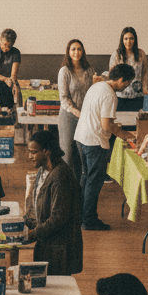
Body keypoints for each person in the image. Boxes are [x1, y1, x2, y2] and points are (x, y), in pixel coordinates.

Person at [24, 128, 83, 295]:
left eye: (34, 152)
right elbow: (37, 202)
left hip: (61, 250)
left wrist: (32, 235)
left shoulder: (61, 176)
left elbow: (59, 217)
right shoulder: (44, 171)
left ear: (47, 151)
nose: (30, 156)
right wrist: (28, 220)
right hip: (48, 247)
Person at [73, 63, 135, 231]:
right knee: (94, 182)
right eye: (127, 83)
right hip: (94, 142)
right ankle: (90, 220)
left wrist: (115, 126)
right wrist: (124, 134)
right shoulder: (110, 95)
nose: (127, 86)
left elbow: (101, 117)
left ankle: (80, 216)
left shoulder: (97, 86)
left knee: (86, 178)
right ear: (121, 79)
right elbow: (106, 125)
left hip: (81, 137)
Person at [57, 39, 95, 186]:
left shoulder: (89, 70)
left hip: (85, 117)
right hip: (68, 116)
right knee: (67, 153)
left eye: (79, 49)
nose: (76, 52)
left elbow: (92, 92)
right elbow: (64, 98)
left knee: (82, 154)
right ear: (68, 52)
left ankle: (78, 187)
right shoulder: (64, 71)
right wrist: (76, 111)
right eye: (73, 49)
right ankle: (64, 187)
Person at [108, 27, 148, 113]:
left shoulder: (141, 54)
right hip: (120, 95)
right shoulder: (116, 55)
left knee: (135, 122)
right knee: (121, 121)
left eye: (131, 38)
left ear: (135, 40)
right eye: (126, 38)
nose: (128, 41)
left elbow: (145, 72)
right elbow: (112, 75)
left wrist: (145, 88)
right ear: (122, 40)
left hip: (137, 95)